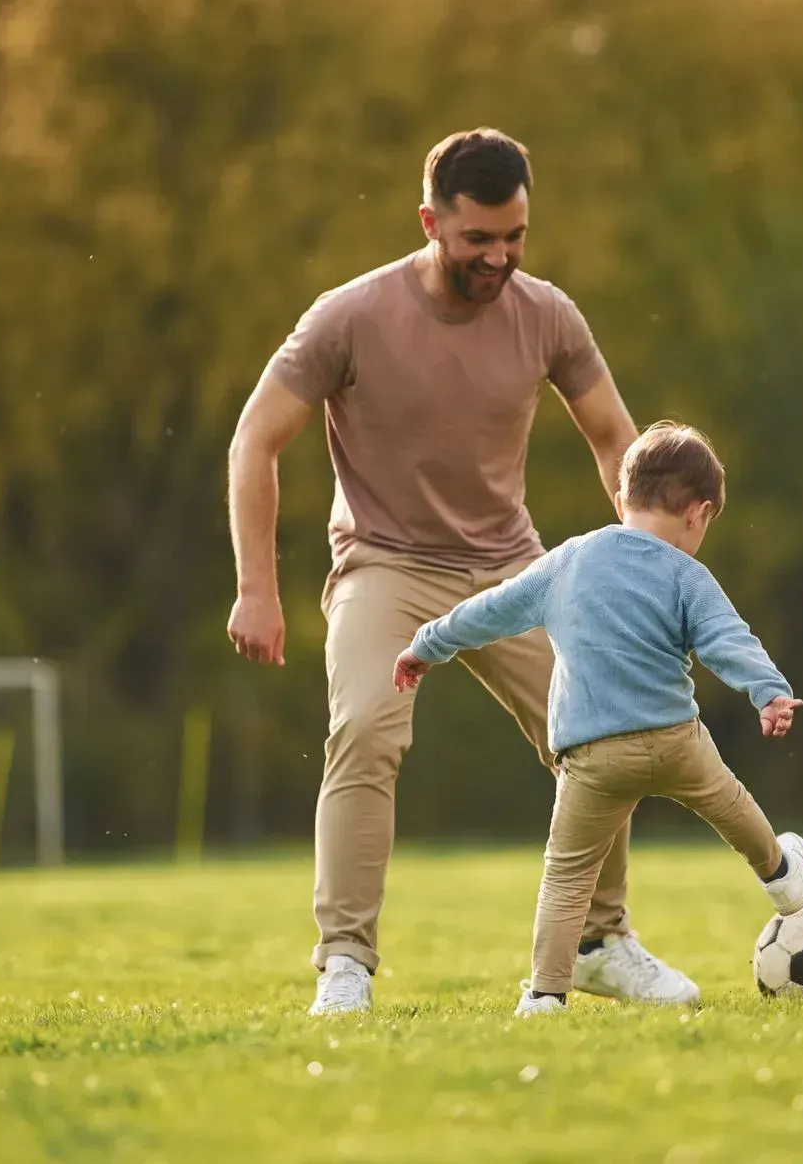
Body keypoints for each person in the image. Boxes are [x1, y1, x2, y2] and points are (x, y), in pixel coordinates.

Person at [226, 128, 701, 1016]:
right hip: (384, 562)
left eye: (515, 235)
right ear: (430, 222)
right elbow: (256, 437)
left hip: (510, 566)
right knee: (366, 729)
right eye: (479, 238)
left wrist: (648, 566)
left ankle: (600, 942)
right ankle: (345, 964)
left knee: (607, 730)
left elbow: (615, 442)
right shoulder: (351, 317)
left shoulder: (548, 314)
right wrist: (256, 585)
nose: (500, 257)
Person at [392, 421, 803, 1016]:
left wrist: (427, 644)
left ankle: (544, 995)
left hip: (593, 756)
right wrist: (768, 693)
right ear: (698, 514)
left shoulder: (570, 560)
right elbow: (728, 639)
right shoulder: (687, 574)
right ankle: (780, 876)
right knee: (731, 803)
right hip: (675, 740)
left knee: (566, 878)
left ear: (621, 501)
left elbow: (490, 611)